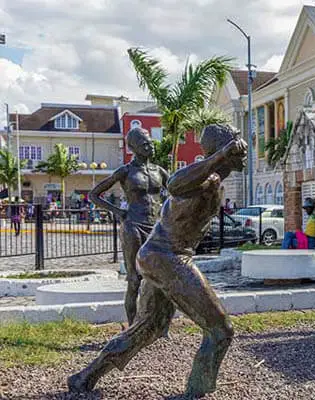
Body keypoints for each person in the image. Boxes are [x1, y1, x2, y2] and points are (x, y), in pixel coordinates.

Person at [68, 124, 247, 397]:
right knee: (220, 330)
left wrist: (220, 160)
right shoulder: (202, 176)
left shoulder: (212, 179)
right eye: (238, 145)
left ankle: (84, 377)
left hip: (162, 256)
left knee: (149, 327)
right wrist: (220, 156)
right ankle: (196, 393)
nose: (244, 151)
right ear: (223, 149)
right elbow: (174, 184)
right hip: (168, 257)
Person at [89, 127, 170, 326]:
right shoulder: (125, 171)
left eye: (150, 142)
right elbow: (94, 195)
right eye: (144, 144)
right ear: (133, 147)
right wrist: (119, 212)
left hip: (156, 229)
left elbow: (177, 192)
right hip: (133, 226)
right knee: (134, 281)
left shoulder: (160, 171)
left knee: (163, 279)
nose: (149, 146)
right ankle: (132, 328)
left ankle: (160, 325)